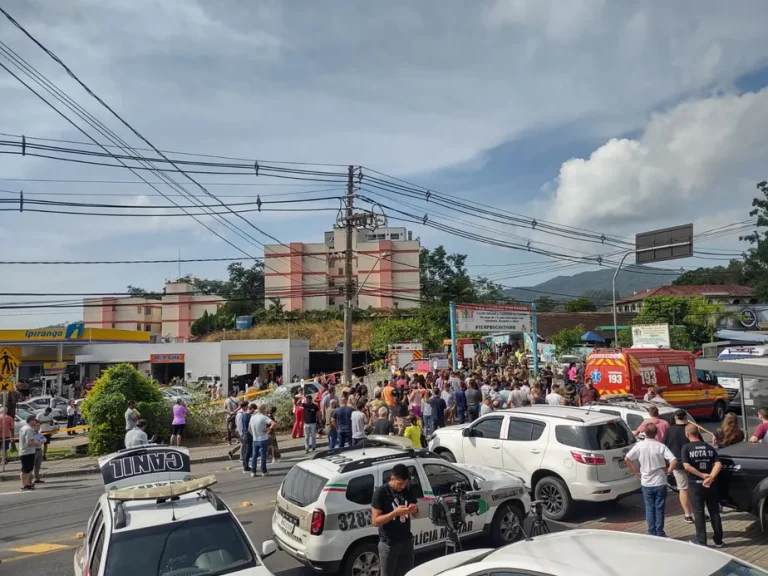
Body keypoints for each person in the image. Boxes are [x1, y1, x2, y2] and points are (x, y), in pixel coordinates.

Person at [624, 422, 677, 537]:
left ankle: (651, 531)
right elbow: (674, 460)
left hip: (646, 481)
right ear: (656, 433)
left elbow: (627, 458)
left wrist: (636, 472)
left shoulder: (639, 446)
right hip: (660, 481)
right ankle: (660, 531)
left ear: (644, 433)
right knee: (659, 508)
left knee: (649, 507)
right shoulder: (660, 446)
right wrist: (668, 471)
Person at [371, 463, 419, 576]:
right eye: (400, 483)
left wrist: (414, 510)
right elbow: (375, 521)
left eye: (405, 483)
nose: (403, 486)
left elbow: (417, 513)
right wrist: (394, 513)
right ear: (392, 479)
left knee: (408, 573)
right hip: (389, 544)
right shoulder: (381, 493)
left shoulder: (407, 490)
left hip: (406, 542)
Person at [682, 424, 724, 547]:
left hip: (695, 485)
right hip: (710, 485)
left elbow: (687, 466)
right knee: (714, 511)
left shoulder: (686, 448)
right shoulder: (708, 447)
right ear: (699, 432)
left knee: (698, 513)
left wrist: (702, 476)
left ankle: (701, 540)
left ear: (687, 434)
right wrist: (710, 477)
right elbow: (718, 464)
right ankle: (718, 540)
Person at [663, 410, 695, 523]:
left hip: (677, 464)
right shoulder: (691, 428)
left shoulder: (669, 431)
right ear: (686, 417)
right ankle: (699, 512)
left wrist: (667, 465)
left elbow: (664, 447)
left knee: (683, 489)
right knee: (695, 489)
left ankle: (688, 515)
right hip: (693, 464)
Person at [249, 404, 275, 477]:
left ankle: (253, 471)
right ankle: (264, 471)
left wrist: (253, 435)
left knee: (254, 455)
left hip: (255, 439)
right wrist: (268, 429)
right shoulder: (263, 417)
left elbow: (249, 429)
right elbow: (273, 424)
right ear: (264, 410)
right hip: (263, 438)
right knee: (263, 455)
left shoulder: (252, 417)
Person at [19, 414, 40, 491]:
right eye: (34, 420)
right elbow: (29, 442)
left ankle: (26, 483)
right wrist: (37, 443)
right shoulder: (29, 429)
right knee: (27, 470)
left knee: (25, 469)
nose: (36, 421)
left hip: (23, 451)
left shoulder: (23, 428)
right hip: (28, 452)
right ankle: (25, 484)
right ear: (31, 420)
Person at [32, 419, 46, 484]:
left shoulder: (39, 433)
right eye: (37, 426)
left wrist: (39, 441)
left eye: (39, 426)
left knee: (38, 465)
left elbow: (44, 439)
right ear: (34, 426)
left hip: (39, 450)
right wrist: (39, 441)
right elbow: (33, 441)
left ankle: (37, 478)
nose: (38, 427)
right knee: (32, 466)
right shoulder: (31, 433)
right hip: (33, 451)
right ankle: (29, 479)